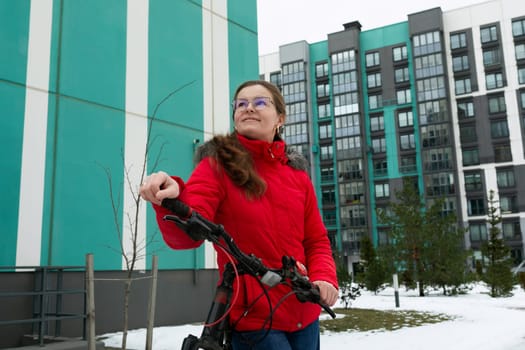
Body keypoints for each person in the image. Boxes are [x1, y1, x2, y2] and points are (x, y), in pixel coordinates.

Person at [139, 80, 338, 350]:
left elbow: (316, 240)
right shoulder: (218, 165)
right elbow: (188, 234)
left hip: (304, 311)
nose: (248, 108)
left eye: (259, 102)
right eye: (241, 104)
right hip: (254, 317)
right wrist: (171, 198)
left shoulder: (297, 177)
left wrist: (324, 277)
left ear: (280, 118)